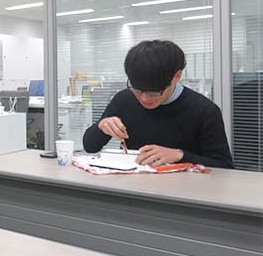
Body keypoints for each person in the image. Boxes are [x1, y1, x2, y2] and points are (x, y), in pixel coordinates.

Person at [82, 40, 233, 168]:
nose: (144, 98)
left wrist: (179, 155)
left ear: (177, 76)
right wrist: (102, 126)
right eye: (138, 90)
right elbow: (90, 146)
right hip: (132, 186)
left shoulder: (204, 110)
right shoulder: (124, 100)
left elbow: (224, 166)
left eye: (153, 92)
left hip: (183, 190)